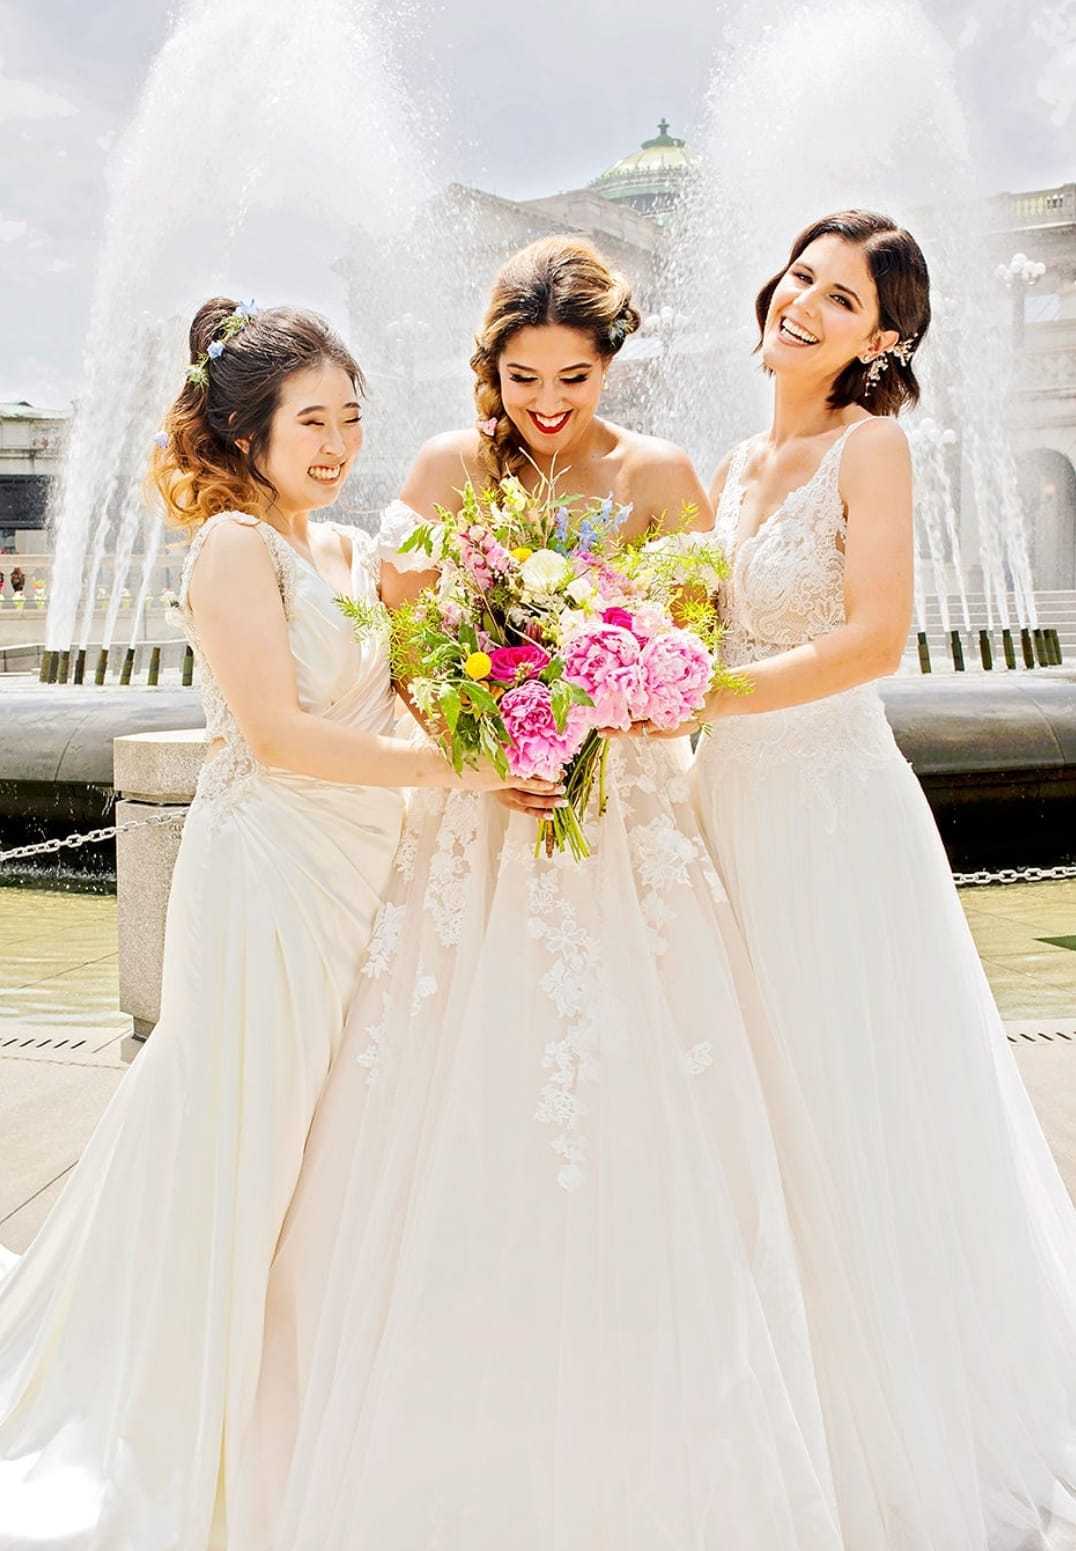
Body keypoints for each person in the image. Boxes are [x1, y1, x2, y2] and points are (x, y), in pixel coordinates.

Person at [235, 238, 848, 1551]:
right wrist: (480, 743)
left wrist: (609, 695)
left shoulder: (662, 476)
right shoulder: (446, 472)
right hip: (477, 827)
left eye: (573, 376)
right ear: (491, 367)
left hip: (626, 828)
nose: (548, 403)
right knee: (447, 1095)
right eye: (523, 377)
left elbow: (689, 661)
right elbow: (399, 651)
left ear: (611, 364)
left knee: (643, 1104)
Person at [0, 297, 543, 1550]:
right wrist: (461, 776)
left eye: (351, 417)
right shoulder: (233, 550)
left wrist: (524, 709)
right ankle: (184, 1395)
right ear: (244, 429)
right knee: (240, 1114)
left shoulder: (349, 552)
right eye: (312, 420)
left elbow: (412, 701)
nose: (338, 441)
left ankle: (288, 1377)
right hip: (269, 874)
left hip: (365, 867)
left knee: (328, 1132)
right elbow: (288, 737)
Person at [670, 210, 1076, 1547]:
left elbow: (875, 636)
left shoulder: (873, 446)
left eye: (839, 297)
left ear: (882, 337)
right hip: (724, 802)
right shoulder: (734, 461)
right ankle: (774, 1404)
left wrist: (701, 687)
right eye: (799, 276)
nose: (803, 302)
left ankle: (893, 1429)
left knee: (852, 1096)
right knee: (758, 1102)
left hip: (830, 816)